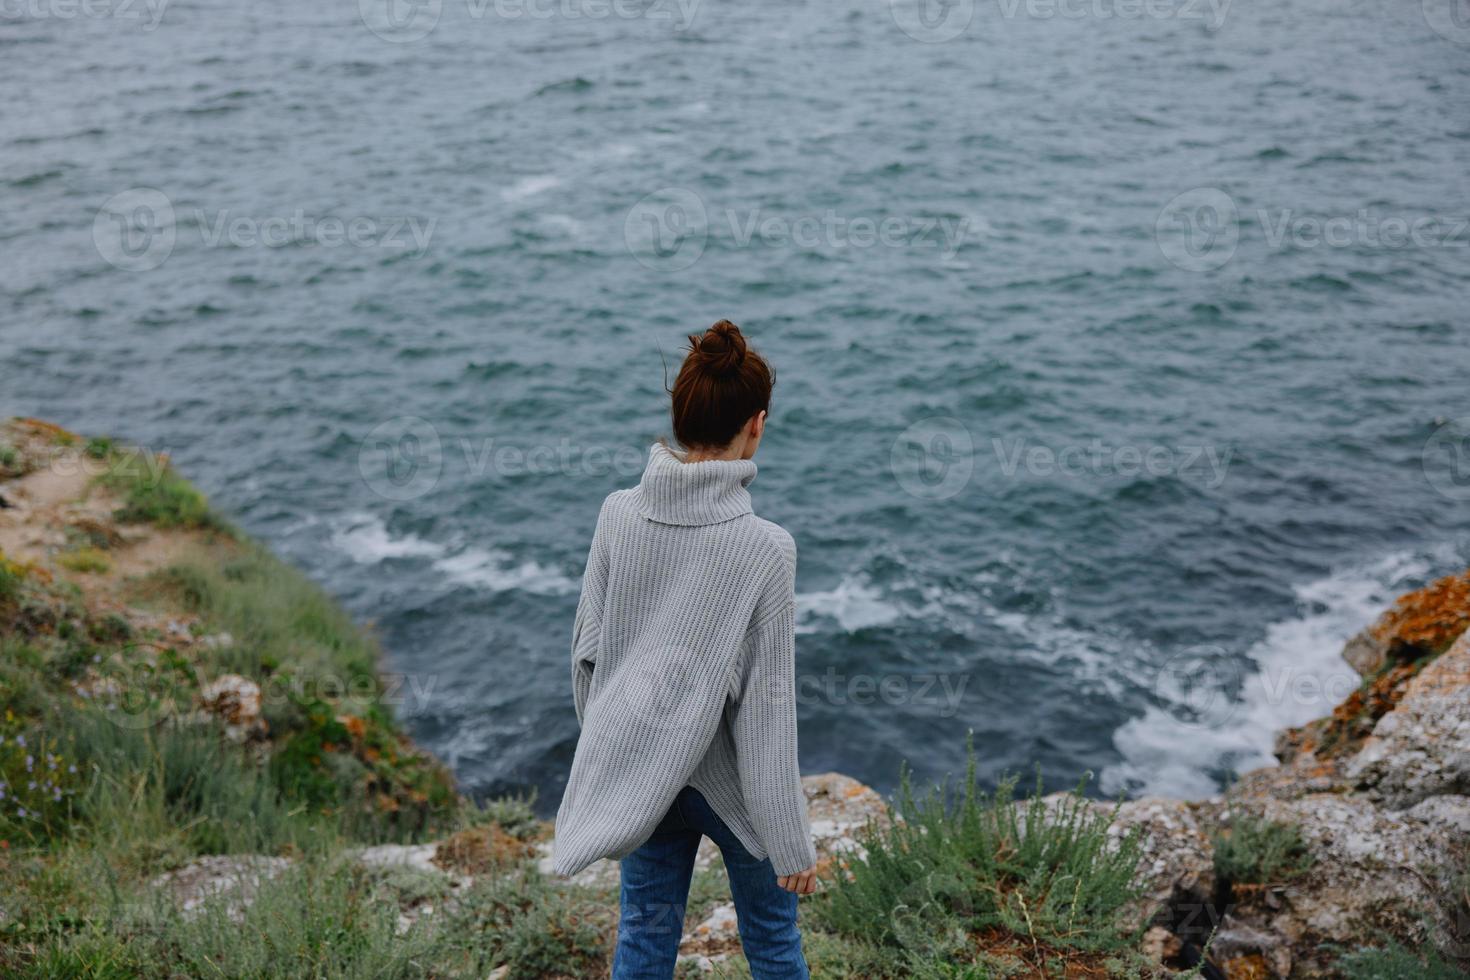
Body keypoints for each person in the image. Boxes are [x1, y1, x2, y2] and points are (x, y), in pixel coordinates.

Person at [553, 320, 817, 979]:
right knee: (773, 945)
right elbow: (765, 712)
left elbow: (586, 659)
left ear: (681, 414)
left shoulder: (617, 512)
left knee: (644, 940)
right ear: (756, 424)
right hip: (735, 789)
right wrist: (792, 846)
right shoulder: (765, 549)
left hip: (647, 777)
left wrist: (628, 760)